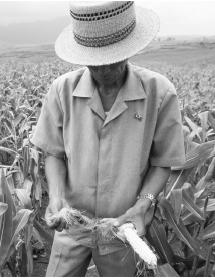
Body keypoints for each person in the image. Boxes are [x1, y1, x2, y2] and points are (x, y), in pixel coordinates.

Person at [31, 1, 185, 276]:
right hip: (72, 224)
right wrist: (55, 198)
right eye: (95, 62)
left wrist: (142, 205)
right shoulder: (62, 90)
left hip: (123, 227)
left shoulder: (159, 93)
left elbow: (163, 162)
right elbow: (53, 153)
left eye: (113, 58)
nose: (104, 69)